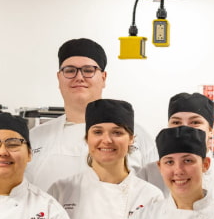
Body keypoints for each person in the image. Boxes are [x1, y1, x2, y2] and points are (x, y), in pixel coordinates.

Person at [27, 38, 157, 191]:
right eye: (69, 70)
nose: (79, 77)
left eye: (88, 70)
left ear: (103, 77)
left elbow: (158, 199)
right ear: (59, 78)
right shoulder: (34, 138)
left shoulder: (137, 135)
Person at [138, 92, 214, 212]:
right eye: (176, 122)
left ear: (211, 130)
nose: (184, 128)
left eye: (195, 122)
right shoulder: (148, 174)